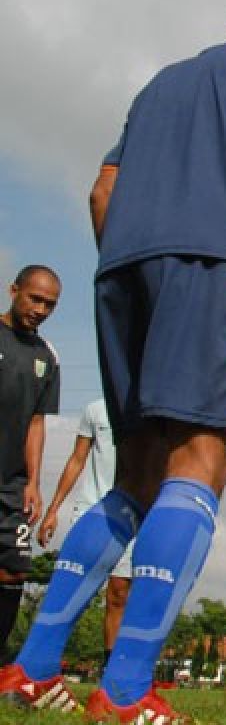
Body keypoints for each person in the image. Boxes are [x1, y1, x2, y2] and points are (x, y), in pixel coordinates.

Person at [2, 0, 226, 723]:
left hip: (120, 270)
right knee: (199, 461)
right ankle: (123, 692)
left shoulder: (157, 85)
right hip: (204, 264)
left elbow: (102, 190)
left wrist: (130, 271)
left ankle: (30, 668)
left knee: (135, 475)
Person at [37, 399, 132, 667]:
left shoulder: (148, 409)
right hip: (93, 508)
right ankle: (43, 658)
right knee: (73, 586)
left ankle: (110, 669)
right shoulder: (95, 409)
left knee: (119, 592)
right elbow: (77, 459)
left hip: (130, 510)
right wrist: (53, 509)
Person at [0, 266, 61, 661]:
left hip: (13, 483)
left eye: (50, 305)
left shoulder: (47, 356)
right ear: (13, 290)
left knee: (14, 570)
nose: (40, 309)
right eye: (35, 299)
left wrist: (34, 482)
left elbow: (36, 423)